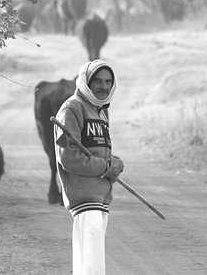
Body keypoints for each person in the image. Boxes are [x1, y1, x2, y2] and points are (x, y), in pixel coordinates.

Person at [54, 59, 124, 275]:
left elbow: (97, 151)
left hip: (100, 196)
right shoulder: (72, 108)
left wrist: (115, 163)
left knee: (87, 266)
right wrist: (106, 167)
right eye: (98, 81)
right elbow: (70, 157)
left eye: (108, 81)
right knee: (93, 267)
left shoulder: (100, 111)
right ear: (86, 81)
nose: (103, 86)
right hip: (84, 196)